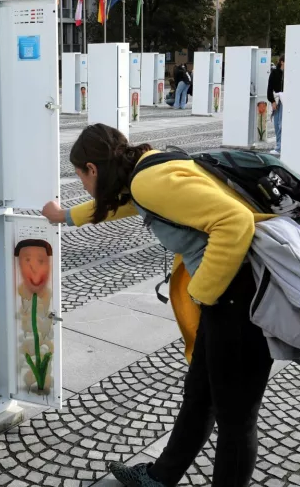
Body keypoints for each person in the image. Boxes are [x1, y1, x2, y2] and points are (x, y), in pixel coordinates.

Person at [41, 124, 275, 487]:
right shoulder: (145, 171)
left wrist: (201, 292)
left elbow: (235, 221)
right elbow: (119, 206)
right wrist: (65, 216)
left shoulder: (149, 182)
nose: (82, 184)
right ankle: (159, 478)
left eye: (80, 176)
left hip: (241, 299)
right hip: (227, 297)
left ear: (92, 169)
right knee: (200, 396)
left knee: (236, 417)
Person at [267, 55, 284, 155]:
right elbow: (269, 88)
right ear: (282, 62)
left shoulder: (289, 73)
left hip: (286, 100)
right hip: (278, 100)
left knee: (283, 124)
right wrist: (272, 101)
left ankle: (282, 146)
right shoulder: (274, 73)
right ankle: (278, 147)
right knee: (277, 124)